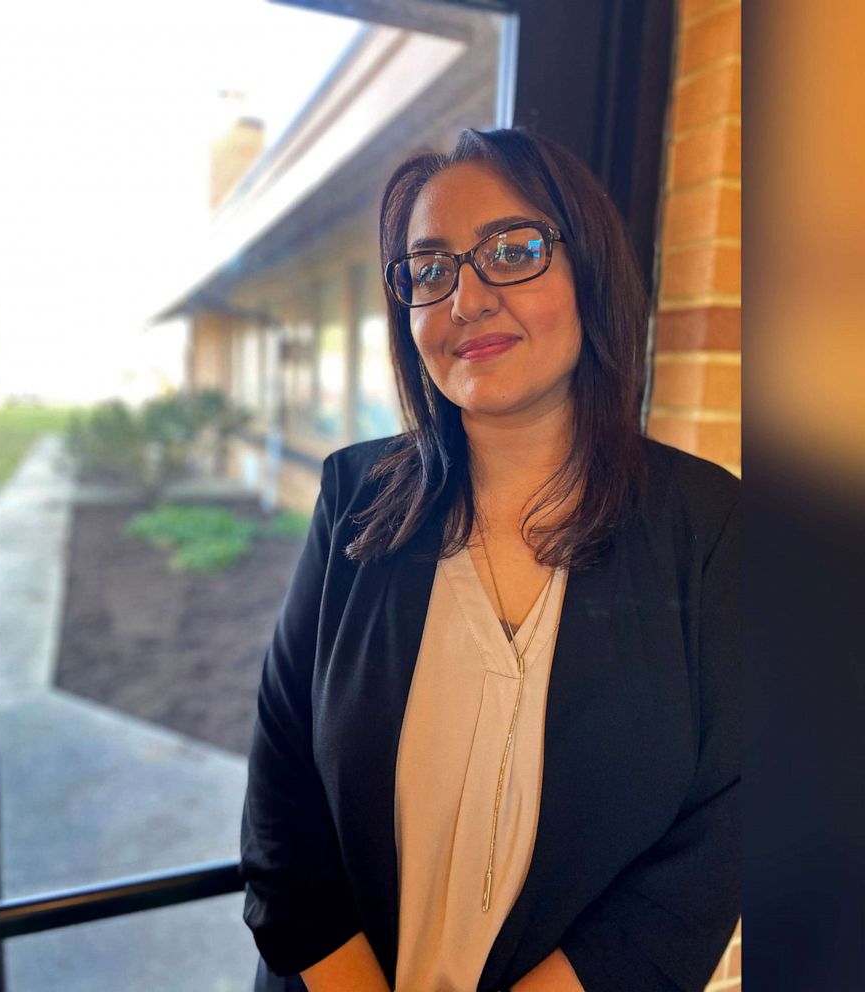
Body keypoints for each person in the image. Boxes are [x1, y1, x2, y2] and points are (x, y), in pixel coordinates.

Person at [240, 127, 740, 992]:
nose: (465, 298)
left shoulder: (709, 524)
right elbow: (282, 792)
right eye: (429, 269)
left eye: (511, 251)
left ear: (589, 267)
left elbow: (724, 828)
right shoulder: (353, 499)